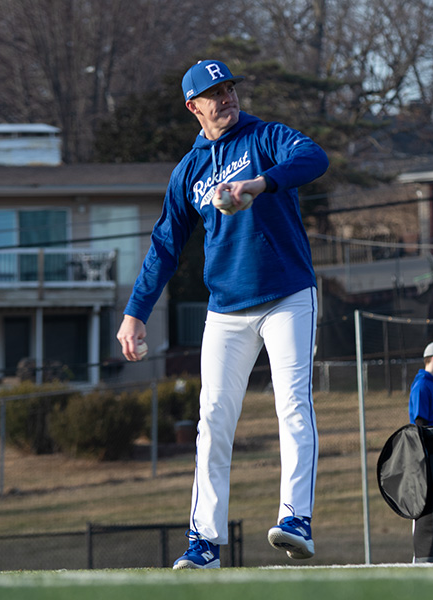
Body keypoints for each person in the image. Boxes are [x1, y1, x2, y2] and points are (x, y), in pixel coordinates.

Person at [116, 59, 329, 568]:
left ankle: (296, 519)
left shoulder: (266, 138)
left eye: (229, 87)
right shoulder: (187, 172)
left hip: (288, 296)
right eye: (214, 92)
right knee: (212, 419)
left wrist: (261, 184)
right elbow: (165, 244)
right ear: (194, 107)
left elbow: (314, 158)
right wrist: (135, 312)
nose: (226, 97)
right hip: (226, 310)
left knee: (292, 403)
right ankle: (205, 543)